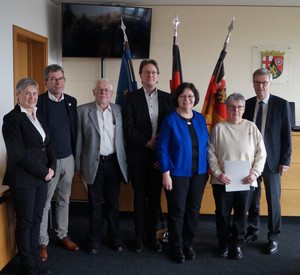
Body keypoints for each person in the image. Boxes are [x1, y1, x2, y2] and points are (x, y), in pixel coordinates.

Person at [2, 78, 56, 275]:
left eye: (34, 93)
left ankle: (34, 259)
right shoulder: (11, 119)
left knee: (36, 218)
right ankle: (27, 265)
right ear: (18, 95)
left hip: (42, 178)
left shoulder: (38, 115)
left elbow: (48, 144)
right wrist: (44, 171)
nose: (32, 97)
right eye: (27, 93)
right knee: (25, 221)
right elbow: (19, 153)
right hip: (23, 179)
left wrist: (52, 167)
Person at [122, 59, 173, 253]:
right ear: (141, 76)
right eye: (146, 72)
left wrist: (158, 144)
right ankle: (138, 236)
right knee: (139, 198)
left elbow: (171, 127)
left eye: (153, 72)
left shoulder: (169, 99)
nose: (150, 75)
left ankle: (152, 236)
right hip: (138, 156)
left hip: (159, 159)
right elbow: (128, 127)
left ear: (158, 76)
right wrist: (146, 142)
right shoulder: (131, 98)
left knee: (154, 199)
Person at [207, 93, 266, 259]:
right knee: (223, 214)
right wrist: (218, 173)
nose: (236, 110)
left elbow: (261, 154)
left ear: (244, 109)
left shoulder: (251, 128)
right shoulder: (219, 128)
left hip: (246, 181)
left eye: (239, 107)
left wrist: (254, 173)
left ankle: (236, 244)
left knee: (241, 214)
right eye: (232, 106)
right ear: (227, 108)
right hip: (222, 181)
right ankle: (223, 244)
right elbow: (210, 153)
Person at [157, 82, 209, 264]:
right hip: (177, 174)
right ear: (177, 99)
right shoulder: (170, 119)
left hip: (199, 173)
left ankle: (188, 244)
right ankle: (176, 246)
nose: (187, 99)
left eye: (190, 96)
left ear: (195, 98)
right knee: (177, 211)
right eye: (183, 96)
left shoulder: (201, 119)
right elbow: (162, 148)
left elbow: (206, 145)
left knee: (193, 211)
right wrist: (165, 173)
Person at [75, 78, 128, 254]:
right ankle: (94, 239)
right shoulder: (82, 111)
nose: (103, 93)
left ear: (111, 94)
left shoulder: (120, 111)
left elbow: (123, 140)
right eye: (99, 90)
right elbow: (79, 141)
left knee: (113, 203)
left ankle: (115, 238)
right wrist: (78, 166)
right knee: (94, 204)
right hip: (92, 163)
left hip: (114, 163)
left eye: (106, 90)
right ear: (94, 92)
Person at [243, 68, 292, 254]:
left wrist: (285, 159)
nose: (260, 86)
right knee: (252, 198)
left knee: (273, 200)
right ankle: (253, 230)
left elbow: (286, 134)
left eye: (264, 82)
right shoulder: (246, 104)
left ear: (270, 84)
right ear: (253, 83)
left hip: (272, 161)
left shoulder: (281, 104)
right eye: (257, 82)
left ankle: (273, 237)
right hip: (250, 161)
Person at [38, 64, 78, 261]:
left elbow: (74, 132)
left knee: (64, 199)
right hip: (49, 162)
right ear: (46, 82)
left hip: (68, 158)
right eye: (53, 79)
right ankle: (42, 242)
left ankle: (62, 234)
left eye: (61, 78)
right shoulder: (39, 103)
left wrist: (75, 159)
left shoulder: (71, 101)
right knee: (44, 202)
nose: (58, 82)